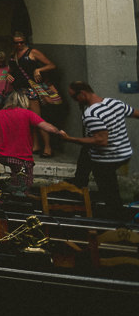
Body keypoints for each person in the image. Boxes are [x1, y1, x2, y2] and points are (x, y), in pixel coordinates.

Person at [59, 82, 137, 220]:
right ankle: (79, 182)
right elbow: (136, 113)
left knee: (109, 191)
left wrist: (70, 139)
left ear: (83, 94)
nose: (75, 101)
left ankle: (117, 219)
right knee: (86, 150)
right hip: (124, 153)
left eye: (75, 97)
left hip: (107, 159)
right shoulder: (115, 103)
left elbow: (101, 141)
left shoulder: (91, 114)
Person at [0, 91, 61, 194]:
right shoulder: (28, 114)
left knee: (15, 172)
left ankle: (12, 186)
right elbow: (49, 128)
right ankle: (18, 198)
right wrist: (60, 133)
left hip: (0, 155)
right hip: (21, 157)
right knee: (25, 184)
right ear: (24, 101)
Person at [8, 32, 58, 157]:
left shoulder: (33, 52)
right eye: (16, 42)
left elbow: (51, 65)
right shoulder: (13, 54)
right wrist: (8, 75)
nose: (19, 45)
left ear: (25, 42)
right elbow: (13, 70)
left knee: (37, 119)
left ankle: (47, 147)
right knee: (26, 120)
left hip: (32, 89)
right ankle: (35, 145)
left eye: (21, 42)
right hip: (20, 90)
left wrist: (39, 69)